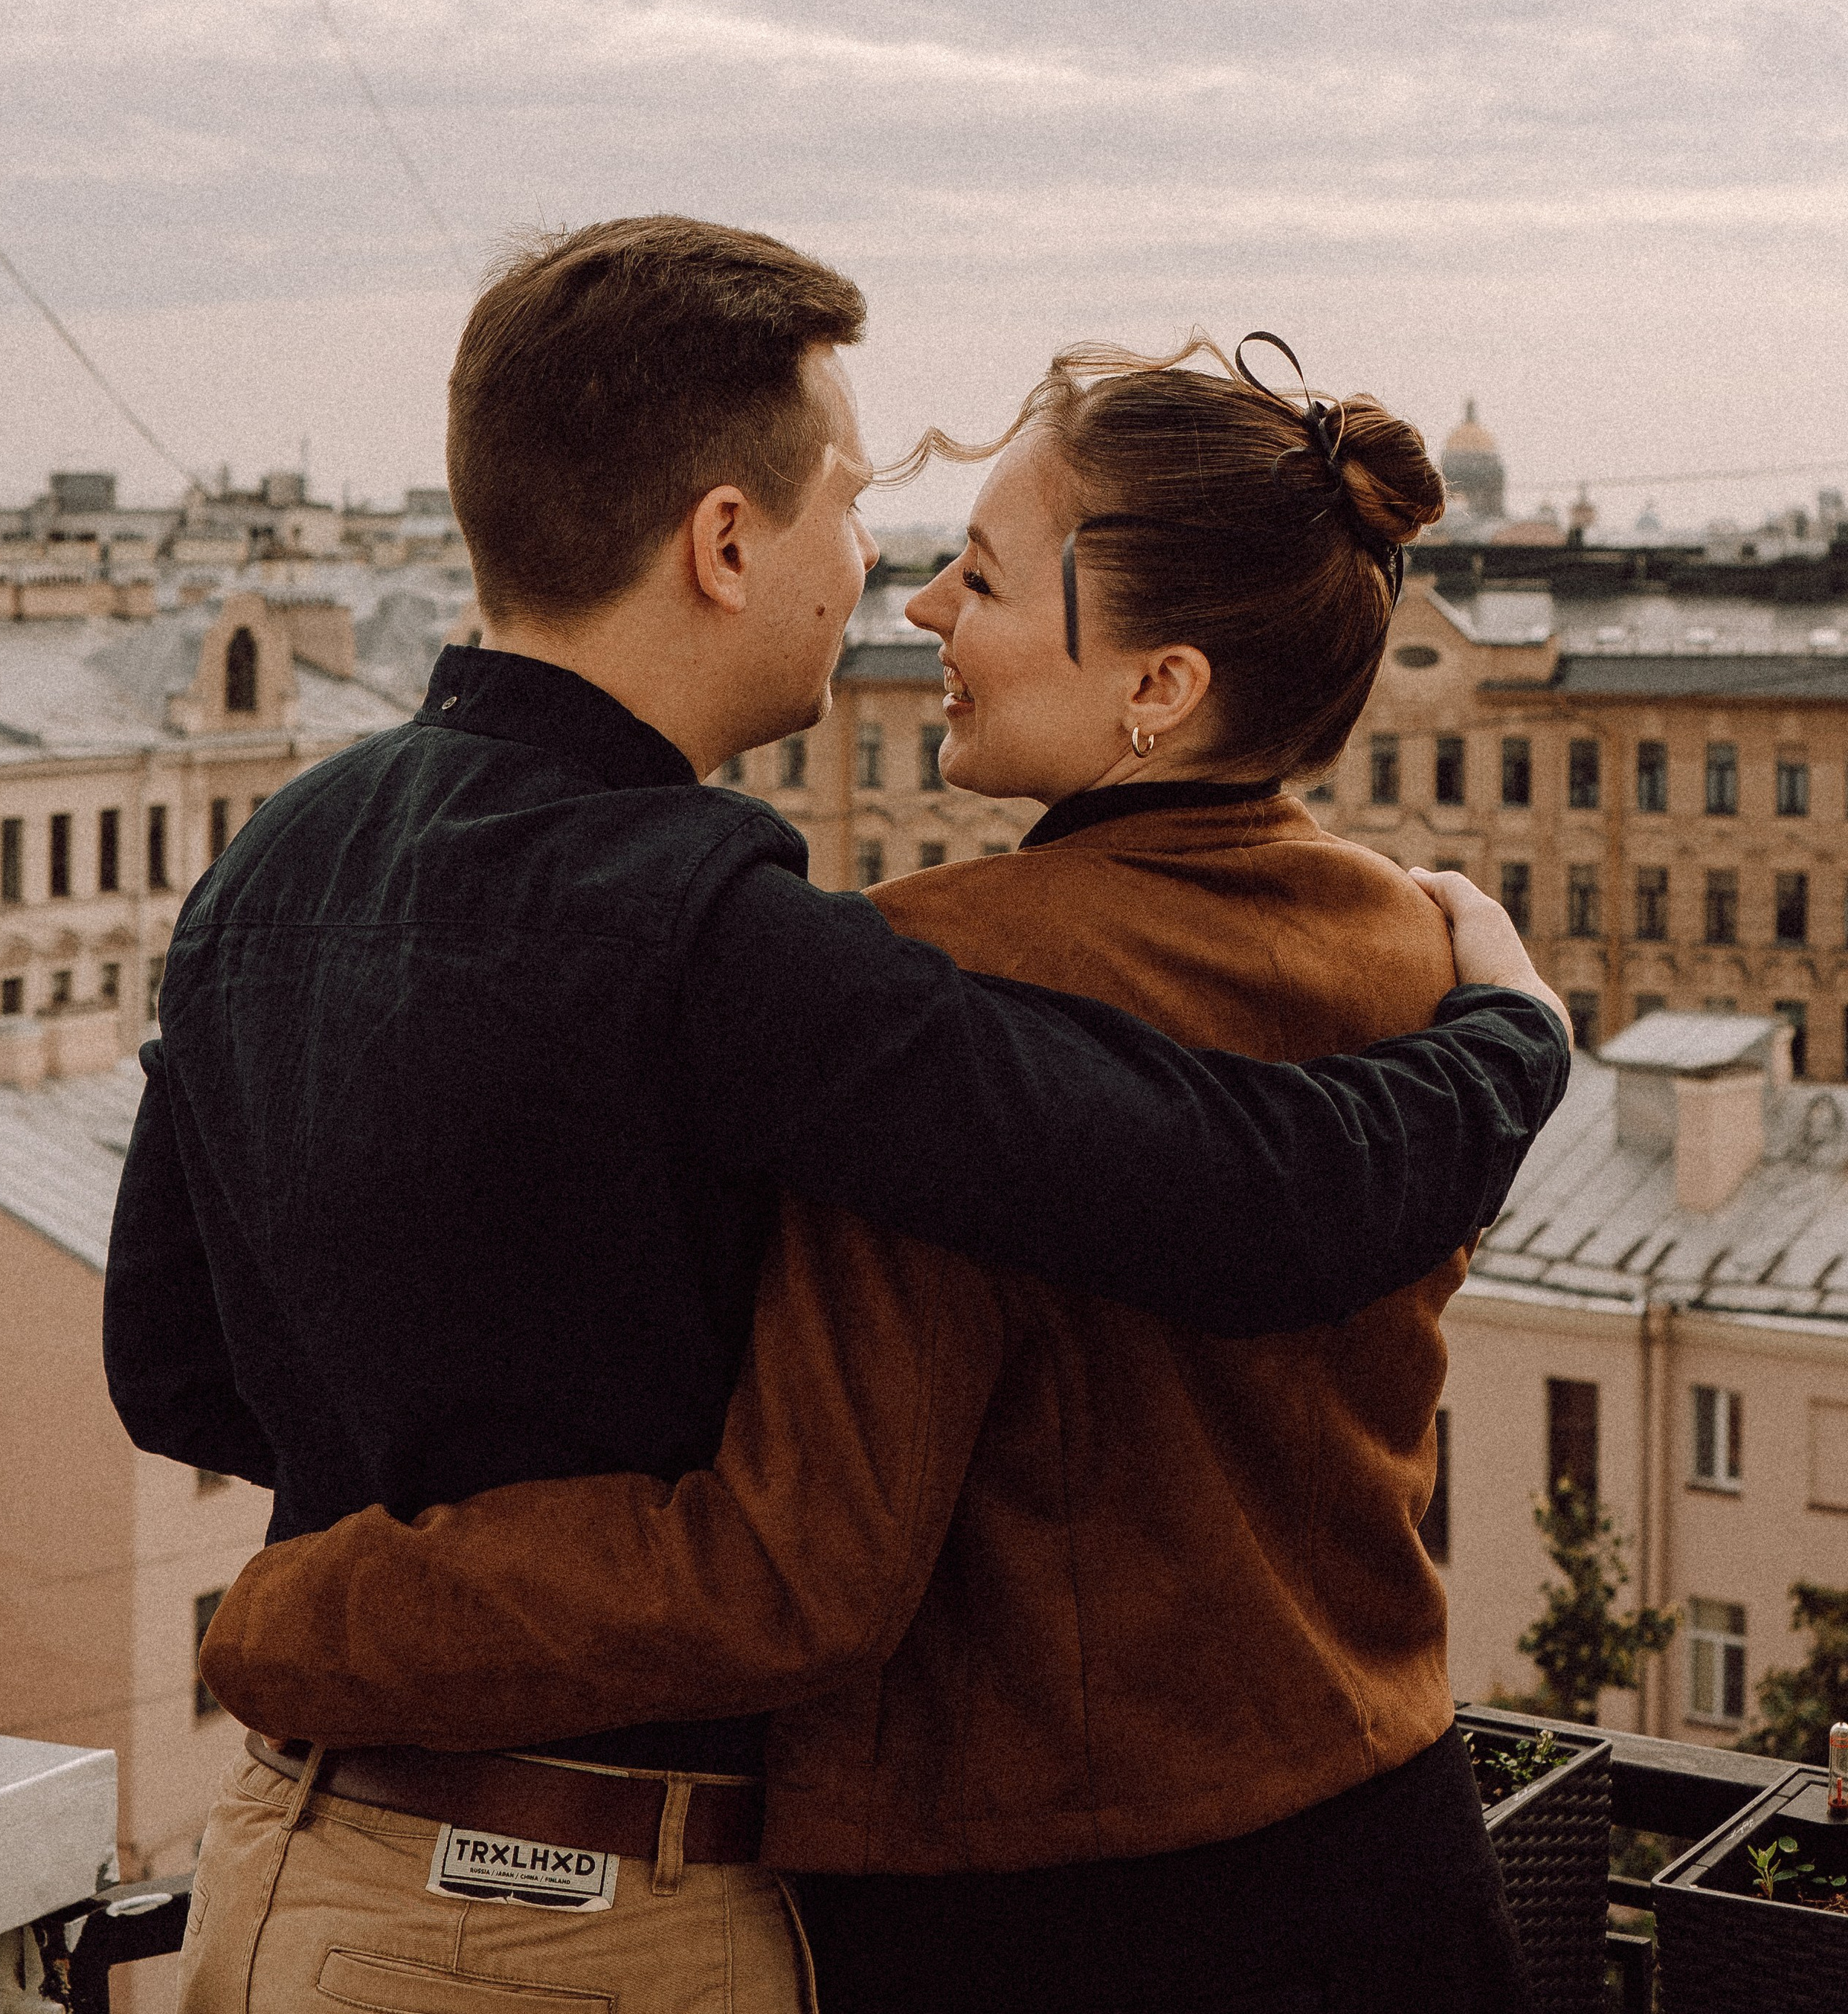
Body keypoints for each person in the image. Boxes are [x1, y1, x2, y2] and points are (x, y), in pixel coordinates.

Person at [106, 223, 1566, 2014]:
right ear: (725, 541)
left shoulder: (265, 861)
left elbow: (173, 1374)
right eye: (858, 512)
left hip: (304, 1874)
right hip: (628, 1902)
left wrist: (346, 1540)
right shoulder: (756, 941)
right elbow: (1252, 1201)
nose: (895, 586)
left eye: (973, 567)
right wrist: (1508, 1034)